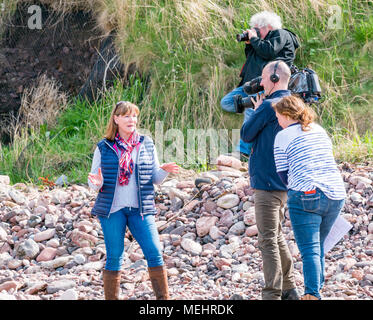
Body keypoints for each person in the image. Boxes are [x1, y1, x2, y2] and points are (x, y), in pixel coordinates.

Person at [88, 100, 179, 300]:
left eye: (134, 116)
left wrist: (164, 171)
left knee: (154, 252)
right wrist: (97, 182)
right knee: (114, 257)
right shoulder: (103, 147)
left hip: (141, 209)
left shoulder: (146, 143)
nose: (132, 120)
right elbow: (94, 181)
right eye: (127, 115)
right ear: (116, 119)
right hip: (112, 211)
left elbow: (154, 178)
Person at [272, 95, 346, 300]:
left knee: (310, 249)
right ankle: (316, 288)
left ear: (287, 115)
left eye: (278, 116)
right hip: (336, 193)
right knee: (318, 246)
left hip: (307, 193)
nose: (277, 121)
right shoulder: (319, 130)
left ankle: (312, 294)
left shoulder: (283, 136)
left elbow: (283, 174)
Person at [240, 60, 300, 300]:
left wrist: (256, 111)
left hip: (266, 182)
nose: (260, 83)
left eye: (263, 78)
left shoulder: (268, 106)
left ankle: (272, 294)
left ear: (275, 79)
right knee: (276, 235)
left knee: (267, 240)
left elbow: (246, 134)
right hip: (285, 181)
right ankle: (290, 288)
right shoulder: (294, 103)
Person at [221, 11, 299, 157]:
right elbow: (253, 58)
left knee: (251, 111)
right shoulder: (261, 42)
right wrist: (250, 44)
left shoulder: (281, 34)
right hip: (251, 85)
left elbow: (269, 51)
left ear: (268, 26)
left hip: (269, 85)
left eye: (257, 28)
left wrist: (255, 39)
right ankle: (261, 119)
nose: (255, 31)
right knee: (226, 102)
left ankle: (243, 151)